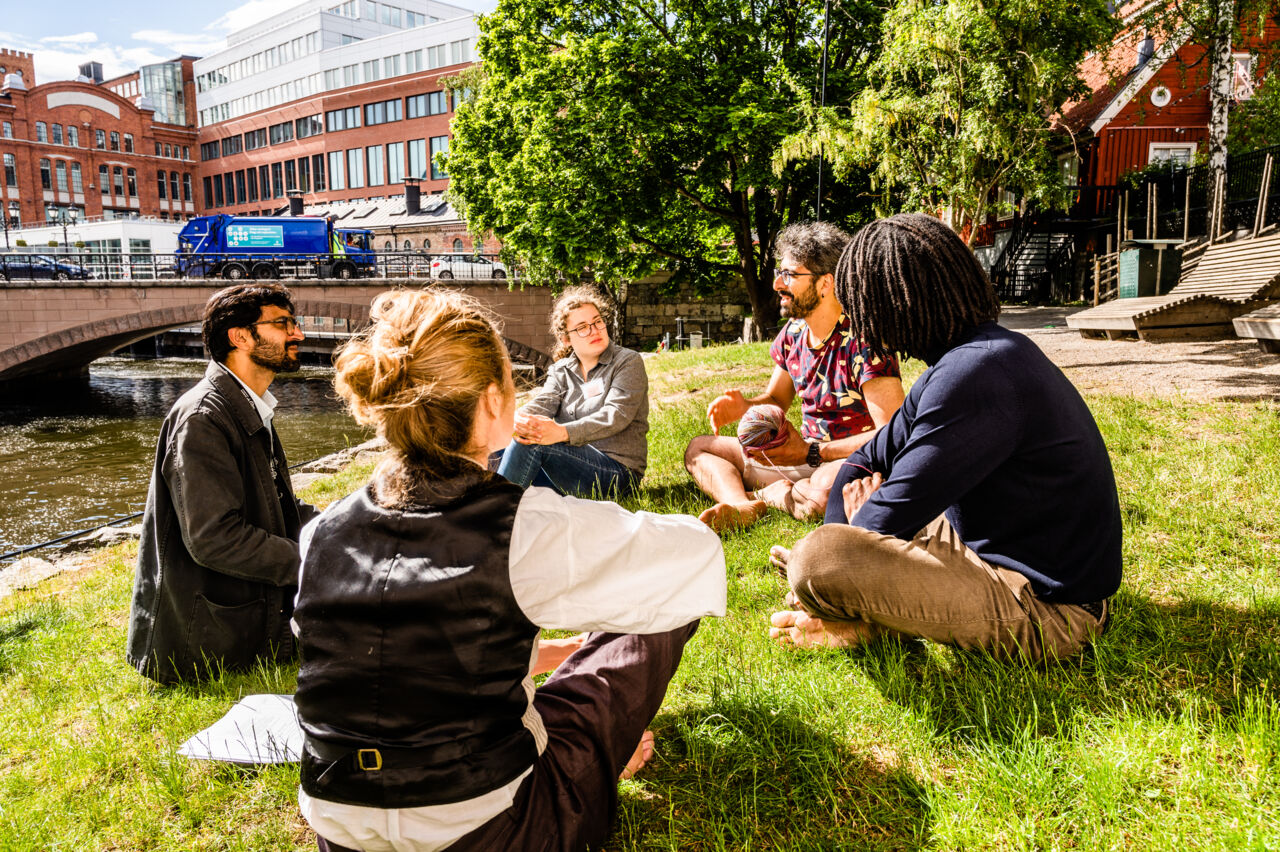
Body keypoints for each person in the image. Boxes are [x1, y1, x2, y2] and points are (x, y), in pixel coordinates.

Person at [292, 290, 725, 852]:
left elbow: (405, 659)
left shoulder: (321, 533)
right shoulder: (522, 528)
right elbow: (693, 555)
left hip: (340, 834)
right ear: (494, 401)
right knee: (664, 592)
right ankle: (591, 760)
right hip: (494, 831)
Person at [769, 214, 1122, 662]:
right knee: (832, 547)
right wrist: (860, 527)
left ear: (894, 303)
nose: (857, 320)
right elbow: (865, 462)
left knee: (817, 560)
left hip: (1050, 609)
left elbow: (883, 516)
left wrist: (855, 535)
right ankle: (858, 614)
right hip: (985, 551)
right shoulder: (963, 362)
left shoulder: (978, 373)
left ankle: (855, 618)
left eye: (861, 305)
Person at [127, 283, 317, 683]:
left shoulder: (245, 403)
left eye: (294, 322)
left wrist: (339, 527)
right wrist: (314, 564)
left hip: (241, 622)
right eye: (283, 323)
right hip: (206, 646)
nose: (298, 334)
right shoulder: (203, 419)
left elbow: (277, 504)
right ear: (240, 336)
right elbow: (214, 537)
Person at [684, 221, 905, 531]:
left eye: (789, 274)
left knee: (825, 495)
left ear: (826, 283)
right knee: (700, 449)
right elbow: (776, 399)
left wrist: (814, 452)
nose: (777, 284)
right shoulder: (794, 333)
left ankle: (772, 495)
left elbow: (892, 434)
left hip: (844, 459)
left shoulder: (866, 341)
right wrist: (744, 406)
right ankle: (742, 504)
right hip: (801, 455)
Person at [494, 286, 648, 499]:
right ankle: (471, 506)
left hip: (616, 473)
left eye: (597, 322)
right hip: (565, 467)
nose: (594, 330)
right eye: (582, 327)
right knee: (496, 443)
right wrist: (517, 419)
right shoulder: (561, 370)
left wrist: (561, 433)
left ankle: (493, 515)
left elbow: (615, 416)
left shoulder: (627, 361)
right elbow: (543, 403)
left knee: (536, 441)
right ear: (566, 338)